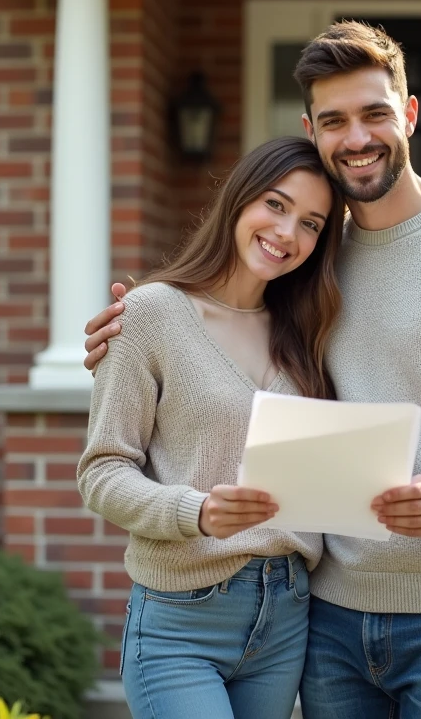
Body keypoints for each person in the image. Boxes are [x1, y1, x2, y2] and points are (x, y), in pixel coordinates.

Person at [84, 21, 421, 719]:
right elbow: (217, 336)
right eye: (336, 120)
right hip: (325, 612)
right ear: (311, 129)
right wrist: (129, 336)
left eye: (375, 114)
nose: (357, 138)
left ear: (408, 114)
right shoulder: (308, 256)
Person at [77, 135, 346, 719]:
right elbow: (102, 472)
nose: (286, 233)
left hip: (286, 614)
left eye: (311, 223)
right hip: (182, 618)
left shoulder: (305, 332)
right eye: (275, 205)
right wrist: (194, 511)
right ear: (239, 200)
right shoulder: (152, 313)